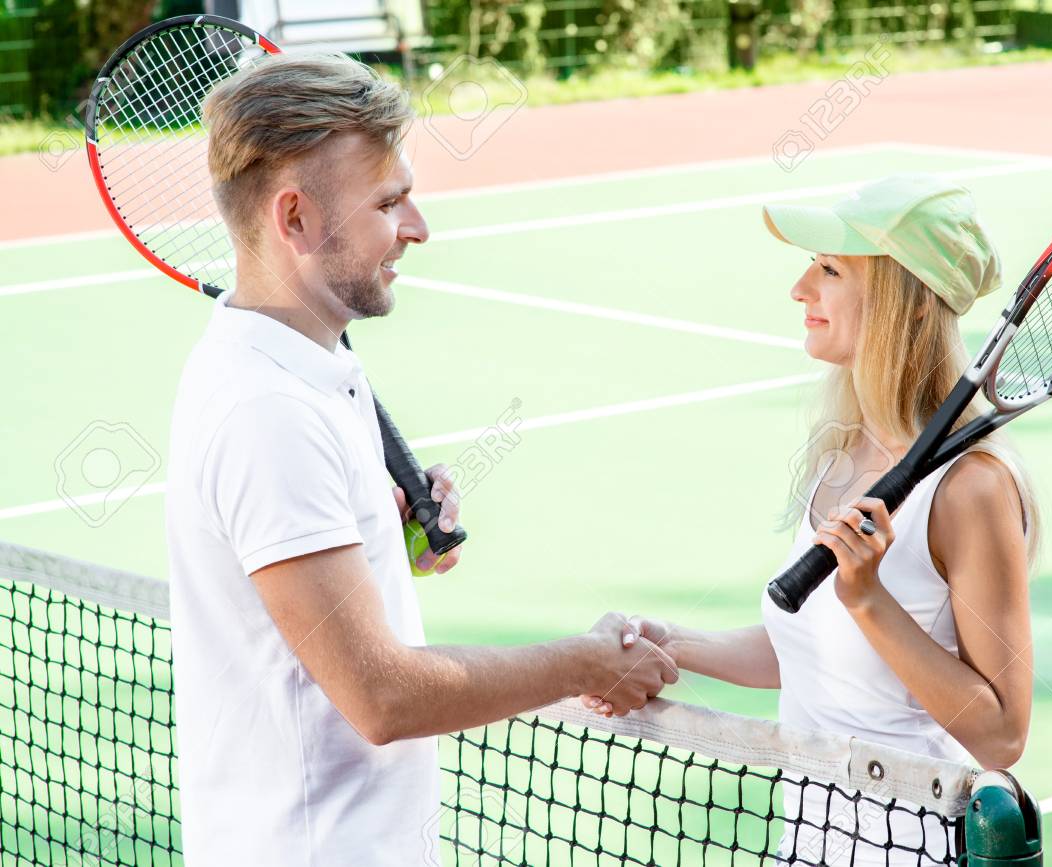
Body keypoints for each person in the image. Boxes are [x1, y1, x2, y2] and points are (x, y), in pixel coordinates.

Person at [163, 53, 676, 867]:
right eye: (389, 202)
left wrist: (382, 539)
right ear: (293, 219)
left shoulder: (313, 361)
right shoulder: (268, 412)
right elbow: (382, 694)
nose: (418, 227)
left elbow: (308, 607)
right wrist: (582, 663)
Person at [586, 175, 1040, 864]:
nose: (800, 288)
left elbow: (1002, 733)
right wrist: (670, 642)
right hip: (812, 842)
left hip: (910, 845)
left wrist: (868, 598)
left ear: (909, 304)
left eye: (830, 269)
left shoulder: (972, 488)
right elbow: (812, 655)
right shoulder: (844, 452)